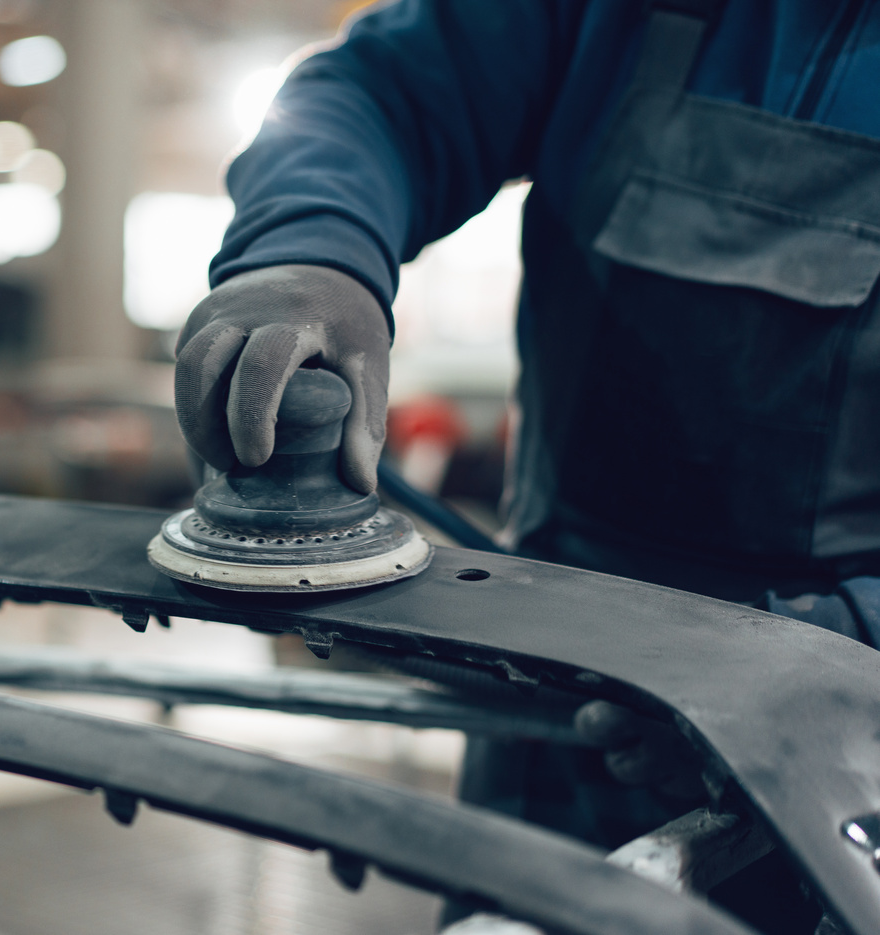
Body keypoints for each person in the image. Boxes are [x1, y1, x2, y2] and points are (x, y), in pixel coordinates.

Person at [172, 1, 880, 930]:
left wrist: (838, 656)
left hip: (844, 761)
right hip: (552, 689)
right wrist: (309, 252)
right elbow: (382, 93)